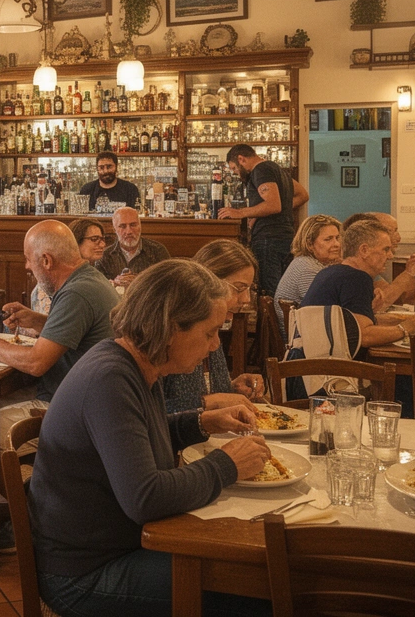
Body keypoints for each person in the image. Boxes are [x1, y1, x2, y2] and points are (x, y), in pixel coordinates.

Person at [31, 259, 269, 617]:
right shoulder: (110, 379)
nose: (214, 346)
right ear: (171, 328)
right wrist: (227, 465)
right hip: (84, 575)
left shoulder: (137, 364)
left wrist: (201, 422)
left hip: (118, 547)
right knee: (260, 589)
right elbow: (146, 497)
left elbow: (139, 440)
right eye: (209, 333)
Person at [0, 220, 119, 474]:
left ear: (46, 260)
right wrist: (38, 320)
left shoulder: (77, 293)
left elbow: (36, 363)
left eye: (27, 259)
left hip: (75, 411)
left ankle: (31, 508)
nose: (26, 266)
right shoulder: (87, 280)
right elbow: (78, 335)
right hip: (86, 398)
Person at [295, 218, 415, 412]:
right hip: (324, 382)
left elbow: (348, 323)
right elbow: (364, 336)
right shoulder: (357, 278)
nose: (390, 256)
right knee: (404, 378)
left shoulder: (333, 272)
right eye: (385, 250)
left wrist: (396, 319)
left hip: (303, 370)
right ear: (364, 250)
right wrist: (404, 329)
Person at [164, 240, 267, 412]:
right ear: (208, 281)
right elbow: (155, 412)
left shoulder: (215, 326)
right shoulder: (179, 330)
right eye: (239, 288)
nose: (246, 299)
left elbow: (202, 390)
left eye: (250, 289)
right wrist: (211, 401)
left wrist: (232, 387)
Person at [219, 144, 308, 296]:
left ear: (241, 159)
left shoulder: (260, 170)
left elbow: (273, 205)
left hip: (268, 240)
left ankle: (273, 321)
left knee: (269, 293)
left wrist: (240, 212)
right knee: (282, 291)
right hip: (285, 237)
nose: (235, 174)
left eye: (234, 168)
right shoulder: (277, 170)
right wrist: (273, 209)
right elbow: (302, 195)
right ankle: (283, 320)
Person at [273, 214, 342, 333]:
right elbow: (327, 315)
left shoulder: (305, 262)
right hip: (302, 343)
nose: (337, 244)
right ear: (310, 244)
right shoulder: (308, 269)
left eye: (337, 238)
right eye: (328, 239)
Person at [344, 212, 415, 309]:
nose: (398, 238)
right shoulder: (352, 272)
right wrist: (408, 274)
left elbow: (400, 299)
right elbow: (381, 303)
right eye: (392, 231)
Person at [95, 206, 171, 287]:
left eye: (133, 225)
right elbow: (98, 287)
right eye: (122, 226)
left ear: (140, 226)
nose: (129, 231)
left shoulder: (157, 251)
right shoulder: (104, 256)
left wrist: (140, 282)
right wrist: (114, 283)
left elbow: (170, 284)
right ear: (114, 229)